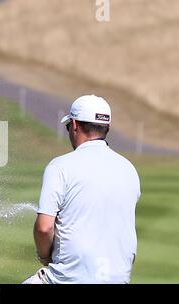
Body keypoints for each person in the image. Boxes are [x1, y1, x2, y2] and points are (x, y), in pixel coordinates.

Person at [23, 95, 141, 284]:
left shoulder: (60, 166)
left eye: (68, 126)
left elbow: (44, 228)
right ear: (107, 128)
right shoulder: (130, 170)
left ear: (75, 124)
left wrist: (45, 257)